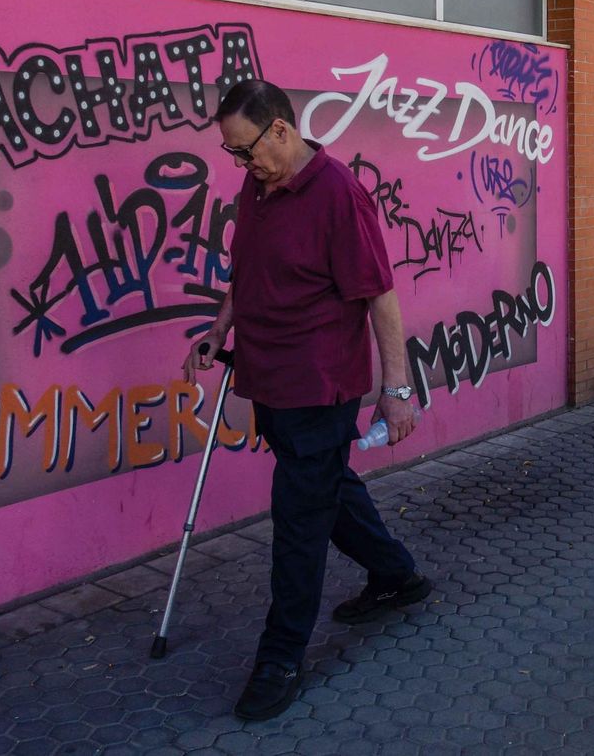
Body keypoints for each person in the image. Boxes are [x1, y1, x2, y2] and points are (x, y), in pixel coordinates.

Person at [182, 79, 431, 722]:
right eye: (234, 154)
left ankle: (281, 655)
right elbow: (246, 270)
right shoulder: (259, 186)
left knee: (298, 518)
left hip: (321, 386)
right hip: (270, 381)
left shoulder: (338, 195)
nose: (242, 164)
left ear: (282, 130)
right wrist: (218, 330)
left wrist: (396, 393)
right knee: (326, 488)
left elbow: (380, 295)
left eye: (247, 151)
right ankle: (397, 575)